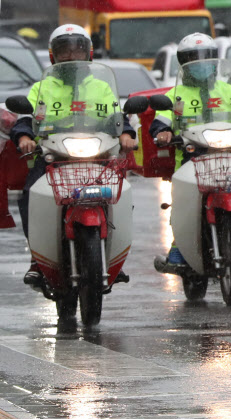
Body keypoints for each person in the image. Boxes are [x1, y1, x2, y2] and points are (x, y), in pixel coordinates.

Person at [10, 24, 137, 286]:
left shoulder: (101, 87)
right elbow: (25, 118)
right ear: (52, 56)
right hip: (53, 159)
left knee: (121, 193)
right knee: (29, 196)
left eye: (76, 50)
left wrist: (126, 134)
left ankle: (112, 256)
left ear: (88, 53)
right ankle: (38, 257)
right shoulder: (41, 88)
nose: (70, 56)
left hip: (96, 156)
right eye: (64, 51)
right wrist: (23, 137)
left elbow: (117, 116)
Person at [150, 33, 231, 265]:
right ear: (183, 63)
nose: (200, 63)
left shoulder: (230, 91)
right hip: (193, 158)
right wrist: (163, 132)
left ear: (215, 59)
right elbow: (161, 121)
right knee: (182, 193)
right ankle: (178, 245)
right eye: (193, 58)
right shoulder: (175, 95)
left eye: (206, 57)